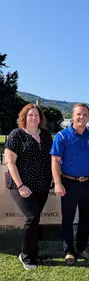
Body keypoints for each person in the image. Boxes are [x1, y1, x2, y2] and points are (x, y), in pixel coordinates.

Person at [50, 103, 89, 265]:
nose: (81, 117)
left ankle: (82, 248)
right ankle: (68, 251)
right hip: (69, 183)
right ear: (73, 116)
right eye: (78, 114)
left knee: (85, 218)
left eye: (84, 114)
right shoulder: (62, 136)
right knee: (67, 219)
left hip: (88, 182)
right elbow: (55, 160)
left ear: (88, 117)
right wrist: (58, 183)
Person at [4, 103, 53, 270]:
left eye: (37, 115)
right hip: (21, 185)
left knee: (35, 218)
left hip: (42, 184)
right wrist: (21, 185)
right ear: (24, 117)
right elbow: (10, 162)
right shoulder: (16, 135)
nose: (34, 118)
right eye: (30, 115)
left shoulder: (46, 135)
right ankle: (26, 256)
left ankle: (33, 253)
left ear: (41, 118)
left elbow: (52, 159)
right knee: (32, 217)